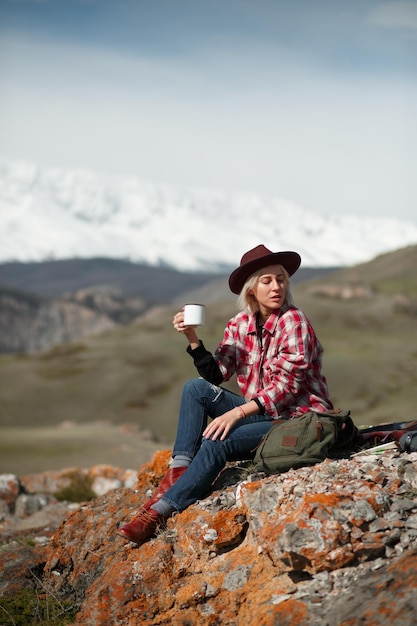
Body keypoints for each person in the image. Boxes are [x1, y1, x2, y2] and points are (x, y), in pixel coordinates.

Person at [117, 244, 333, 545]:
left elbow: (286, 389)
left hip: (297, 419)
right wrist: (192, 338)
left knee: (218, 440)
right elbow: (218, 374)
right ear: (251, 289)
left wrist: (237, 412)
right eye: (267, 280)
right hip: (261, 413)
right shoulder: (240, 325)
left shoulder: (293, 322)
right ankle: (178, 474)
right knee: (195, 388)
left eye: (281, 279)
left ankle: (159, 512)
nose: (276, 287)